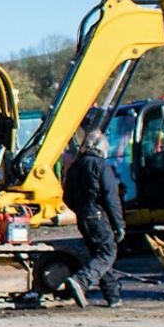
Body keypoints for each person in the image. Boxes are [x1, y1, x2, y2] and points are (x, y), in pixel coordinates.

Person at [61, 129, 125, 308]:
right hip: (97, 216)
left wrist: (80, 210)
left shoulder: (76, 166)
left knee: (99, 255)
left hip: (83, 218)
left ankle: (113, 296)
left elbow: (67, 196)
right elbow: (111, 197)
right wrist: (119, 224)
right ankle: (80, 281)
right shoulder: (101, 166)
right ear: (101, 147)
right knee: (107, 253)